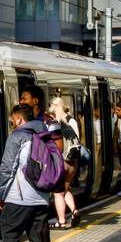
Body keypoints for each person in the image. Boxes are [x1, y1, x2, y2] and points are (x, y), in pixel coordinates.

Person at [0, 104, 54, 242]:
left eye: (13, 119)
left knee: (9, 231)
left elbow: (7, 168)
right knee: (36, 239)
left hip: (19, 198)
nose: (12, 122)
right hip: (42, 198)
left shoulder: (17, 136)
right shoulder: (45, 135)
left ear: (19, 119)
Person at [18, 86, 60, 242]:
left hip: (41, 178)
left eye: (24, 97)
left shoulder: (49, 123)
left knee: (40, 222)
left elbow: (56, 149)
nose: (21, 100)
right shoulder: (25, 123)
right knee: (36, 223)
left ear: (35, 101)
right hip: (27, 178)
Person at [48, 96, 80, 229]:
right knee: (65, 189)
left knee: (58, 193)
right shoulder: (71, 121)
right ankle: (74, 211)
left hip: (62, 161)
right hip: (73, 161)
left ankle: (61, 221)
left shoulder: (54, 123)